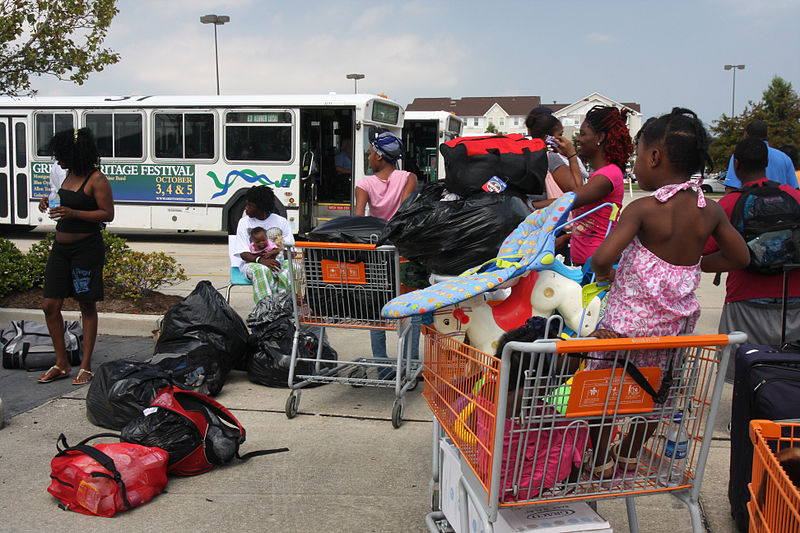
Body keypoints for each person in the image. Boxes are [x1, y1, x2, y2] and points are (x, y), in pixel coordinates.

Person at [586, 108, 750, 478]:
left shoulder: (643, 209)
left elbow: (602, 257)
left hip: (622, 334)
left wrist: (607, 273)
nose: (636, 165)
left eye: (638, 157)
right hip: (669, 338)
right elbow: (741, 256)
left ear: (655, 157)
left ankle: (599, 458)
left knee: (601, 396)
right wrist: (695, 265)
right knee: (655, 395)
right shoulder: (708, 213)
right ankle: (628, 452)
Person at [704, 137, 800, 382]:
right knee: (791, 373)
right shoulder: (794, 197)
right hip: (794, 299)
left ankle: (745, 420)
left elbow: (703, 251)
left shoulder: (728, 204)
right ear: (767, 163)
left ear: (736, 165)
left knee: (744, 375)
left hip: (744, 299)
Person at [36, 128, 115, 385]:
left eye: (61, 156)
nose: (58, 161)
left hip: (86, 249)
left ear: (75, 154)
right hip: (61, 249)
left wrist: (74, 213)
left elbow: (107, 214)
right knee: (50, 305)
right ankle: (61, 363)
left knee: (86, 304)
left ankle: (85, 365)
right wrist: (47, 200)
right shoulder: (68, 175)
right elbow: (63, 199)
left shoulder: (96, 179)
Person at [354, 132, 420, 371]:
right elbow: (404, 212)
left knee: (376, 308)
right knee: (410, 307)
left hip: (376, 252)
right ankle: (411, 364)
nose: (369, 157)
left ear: (380, 157)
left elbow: (359, 218)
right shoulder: (408, 178)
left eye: (371, 153)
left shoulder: (364, 183)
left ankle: (382, 366)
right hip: (402, 250)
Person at [554, 105, 635, 267]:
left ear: (599, 137)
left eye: (583, 134)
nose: (578, 139)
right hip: (586, 264)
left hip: (598, 267)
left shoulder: (609, 175)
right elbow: (597, 223)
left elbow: (571, 199)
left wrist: (529, 205)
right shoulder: (600, 175)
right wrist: (567, 237)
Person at [233, 185, 294, 302]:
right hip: (252, 263)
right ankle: (264, 310)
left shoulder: (281, 222)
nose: (246, 208)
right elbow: (243, 254)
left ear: (260, 207)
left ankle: (285, 306)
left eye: (250, 205)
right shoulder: (244, 222)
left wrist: (274, 256)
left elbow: (292, 253)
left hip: (277, 260)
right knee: (262, 270)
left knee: (294, 268)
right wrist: (262, 260)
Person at [722, 120, 798, 191]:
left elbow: (731, 188)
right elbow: (795, 189)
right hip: (780, 203)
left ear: (746, 135)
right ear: (766, 136)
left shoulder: (740, 155)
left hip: (748, 203)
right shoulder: (784, 158)